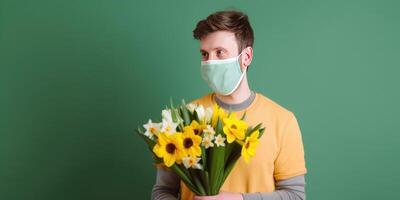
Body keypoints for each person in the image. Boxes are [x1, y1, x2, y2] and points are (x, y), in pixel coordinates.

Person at [151, 10, 307, 200]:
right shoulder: (182, 118)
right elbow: (162, 191)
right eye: (205, 54)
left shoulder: (283, 121)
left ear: (246, 56)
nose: (210, 62)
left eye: (220, 52)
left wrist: (240, 199)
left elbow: (295, 196)